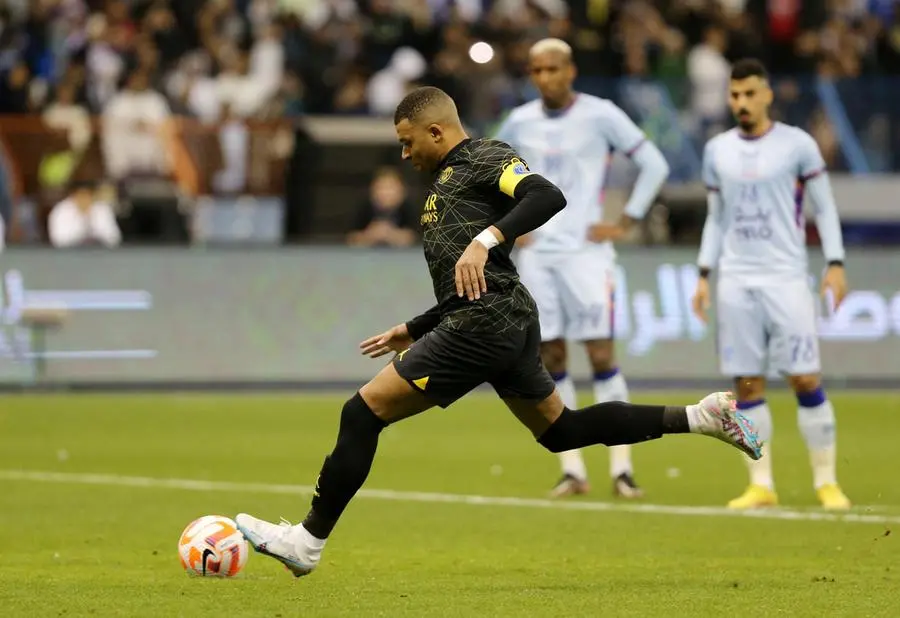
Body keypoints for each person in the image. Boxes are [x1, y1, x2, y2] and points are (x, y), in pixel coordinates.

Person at [235, 86, 762, 577]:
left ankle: (306, 543)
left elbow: (546, 195)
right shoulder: (443, 183)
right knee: (561, 431)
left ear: (436, 132)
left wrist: (489, 236)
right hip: (496, 318)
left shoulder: (484, 157)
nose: (403, 154)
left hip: (484, 324)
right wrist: (415, 327)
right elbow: (464, 280)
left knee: (361, 411)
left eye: (406, 141)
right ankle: (702, 416)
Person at [495, 38, 671, 499]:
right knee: (550, 358)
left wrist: (626, 221)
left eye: (552, 69)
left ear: (570, 71)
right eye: (536, 71)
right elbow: (487, 175)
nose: (544, 78)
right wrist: (511, 228)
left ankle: (622, 469)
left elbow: (654, 164)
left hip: (587, 256)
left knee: (600, 356)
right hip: (537, 257)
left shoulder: (601, 113)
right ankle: (573, 470)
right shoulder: (519, 121)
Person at [691, 59, 850, 511]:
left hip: (786, 278)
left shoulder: (797, 145)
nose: (741, 102)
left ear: (767, 95)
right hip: (737, 281)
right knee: (747, 385)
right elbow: (716, 219)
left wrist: (835, 263)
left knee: (804, 378)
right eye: (735, 95)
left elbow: (826, 208)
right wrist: (705, 274)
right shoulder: (717, 150)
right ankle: (761, 484)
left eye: (749, 94)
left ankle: (826, 482)